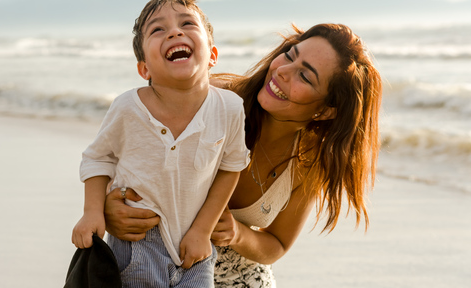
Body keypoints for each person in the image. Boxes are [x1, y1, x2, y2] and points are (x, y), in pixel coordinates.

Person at [104, 23, 382, 287]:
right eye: (289, 55)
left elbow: (277, 245)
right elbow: (116, 160)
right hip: (149, 270)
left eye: (305, 76)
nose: (283, 70)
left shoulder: (308, 162)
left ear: (326, 110)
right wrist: (108, 208)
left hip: (242, 280)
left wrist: (237, 234)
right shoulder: (211, 99)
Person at [71, 0, 250, 287]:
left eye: (187, 23)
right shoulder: (128, 108)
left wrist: (203, 230)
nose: (175, 32)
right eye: (158, 29)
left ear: (213, 56)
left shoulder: (228, 108)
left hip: (195, 246)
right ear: (145, 69)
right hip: (137, 241)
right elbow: (97, 158)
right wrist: (92, 212)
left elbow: (230, 168)